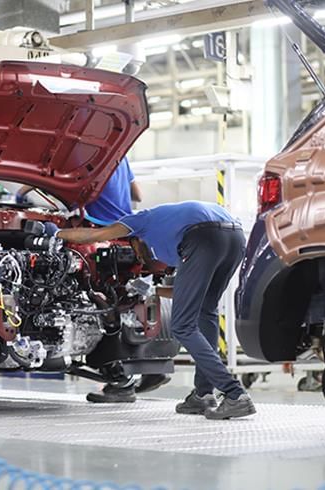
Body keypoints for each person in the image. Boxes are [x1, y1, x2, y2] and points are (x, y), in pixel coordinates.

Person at [46, 200, 257, 420]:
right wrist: (152, 290)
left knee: (182, 327)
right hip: (235, 236)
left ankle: (235, 394)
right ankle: (203, 394)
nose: (140, 258)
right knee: (206, 312)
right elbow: (183, 292)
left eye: (136, 253)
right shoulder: (170, 231)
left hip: (203, 236)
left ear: (135, 239)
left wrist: (58, 233)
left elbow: (96, 235)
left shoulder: (140, 220)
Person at [19, 158, 168, 403]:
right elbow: (138, 195)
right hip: (123, 231)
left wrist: (21, 193)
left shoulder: (77, 155)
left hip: (94, 231)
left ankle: (119, 376)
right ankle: (144, 367)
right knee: (126, 299)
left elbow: (42, 183)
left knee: (92, 299)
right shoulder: (119, 156)